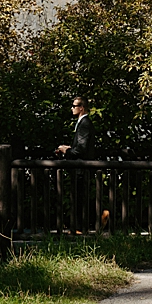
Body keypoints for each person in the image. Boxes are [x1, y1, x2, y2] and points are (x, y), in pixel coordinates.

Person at [57, 97, 103, 231]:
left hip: (81, 167)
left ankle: (82, 226)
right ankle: (82, 226)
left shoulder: (84, 123)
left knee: (80, 198)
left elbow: (81, 149)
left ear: (81, 108)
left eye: (74, 106)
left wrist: (67, 151)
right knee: (80, 197)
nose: (72, 108)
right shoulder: (83, 123)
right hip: (80, 167)